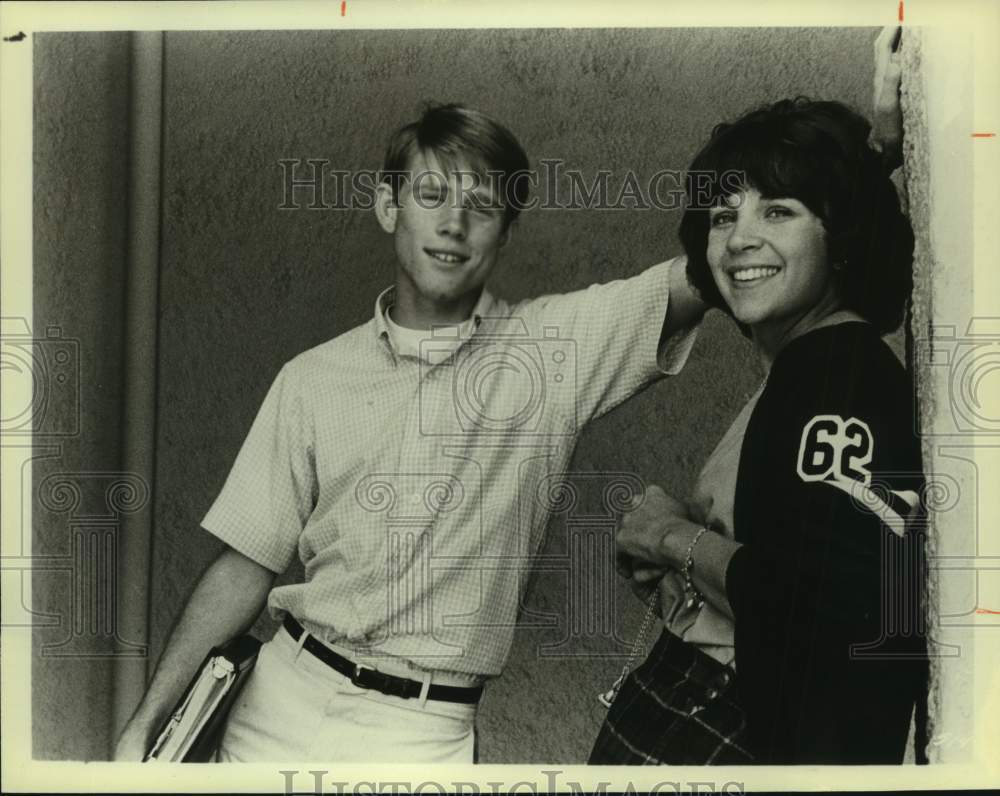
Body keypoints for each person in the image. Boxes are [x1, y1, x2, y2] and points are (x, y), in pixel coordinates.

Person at [113, 103, 705, 763]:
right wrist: (146, 722)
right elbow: (247, 563)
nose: (454, 223)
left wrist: (779, 196)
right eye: (432, 195)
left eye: (482, 206)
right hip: (277, 703)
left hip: (421, 738)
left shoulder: (553, 350)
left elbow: (703, 272)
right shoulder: (311, 378)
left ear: (504, 233)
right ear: (388, 206)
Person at [590, 45, 926, 764]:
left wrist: (671, 540)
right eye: (721, 216)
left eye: (779, 210)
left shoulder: (842, 380)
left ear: (839, 239)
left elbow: (825, 610)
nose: (740, 238)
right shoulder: (807, 365)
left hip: (727, 717)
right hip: (705, 699)